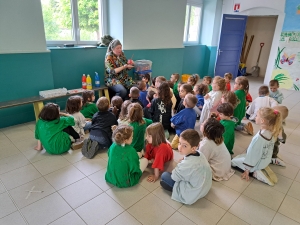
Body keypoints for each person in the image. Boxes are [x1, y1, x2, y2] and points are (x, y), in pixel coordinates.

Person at [231, 107, 282, 186]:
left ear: (262, 121)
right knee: (240, 157)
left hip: (256, 162)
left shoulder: (259, 138)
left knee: (233, 162)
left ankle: (256, 172)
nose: (255, 117)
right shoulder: (272, 131)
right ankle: (262, 167)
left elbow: (253, 154)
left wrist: (247, 170)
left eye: (257, 116)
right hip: (265, 160)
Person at [160, 129, 212, 205]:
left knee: (164, 175)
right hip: (205, 187)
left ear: (193, 148)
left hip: (192, 193)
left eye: (184, 146)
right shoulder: (200, 153)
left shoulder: (186, 165)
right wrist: (184, 158)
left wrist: (179, 166)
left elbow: (174, 177)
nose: (179, 147)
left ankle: (173, 189)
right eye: (179, 143)